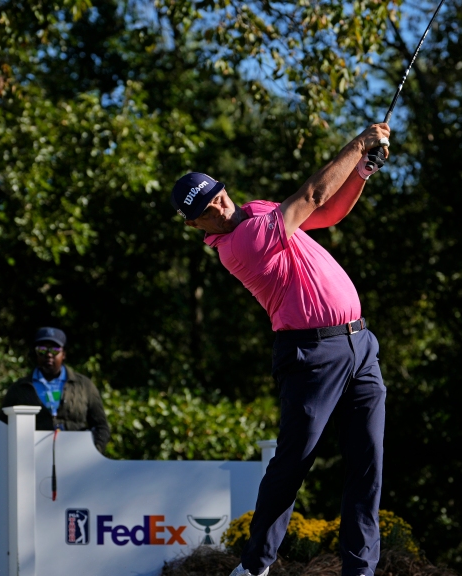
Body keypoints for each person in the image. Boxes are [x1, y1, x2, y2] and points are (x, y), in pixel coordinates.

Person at [170, 123, 392, 576]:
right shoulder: (239, 245)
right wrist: (358, 143)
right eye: (206, 209)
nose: (218, 204)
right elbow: (310, 196)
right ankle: (255, 566)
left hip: (359, 345)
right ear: (195, 225)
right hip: (311, 355)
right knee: (293, 462)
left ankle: (361, 570)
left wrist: (363, 169)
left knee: (368, 465)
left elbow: (327, 214)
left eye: (217, 194)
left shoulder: (258, 212)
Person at [2, 327, 111, 453]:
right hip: (34, 459)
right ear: (35, 353)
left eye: (55, 350)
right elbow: (3, 426)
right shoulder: (20, 388)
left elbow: (101, 426)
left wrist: (94, 452)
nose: (48, 354)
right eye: (42, 350)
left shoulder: (84, 386)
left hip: (77, 458)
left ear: (63, 354)